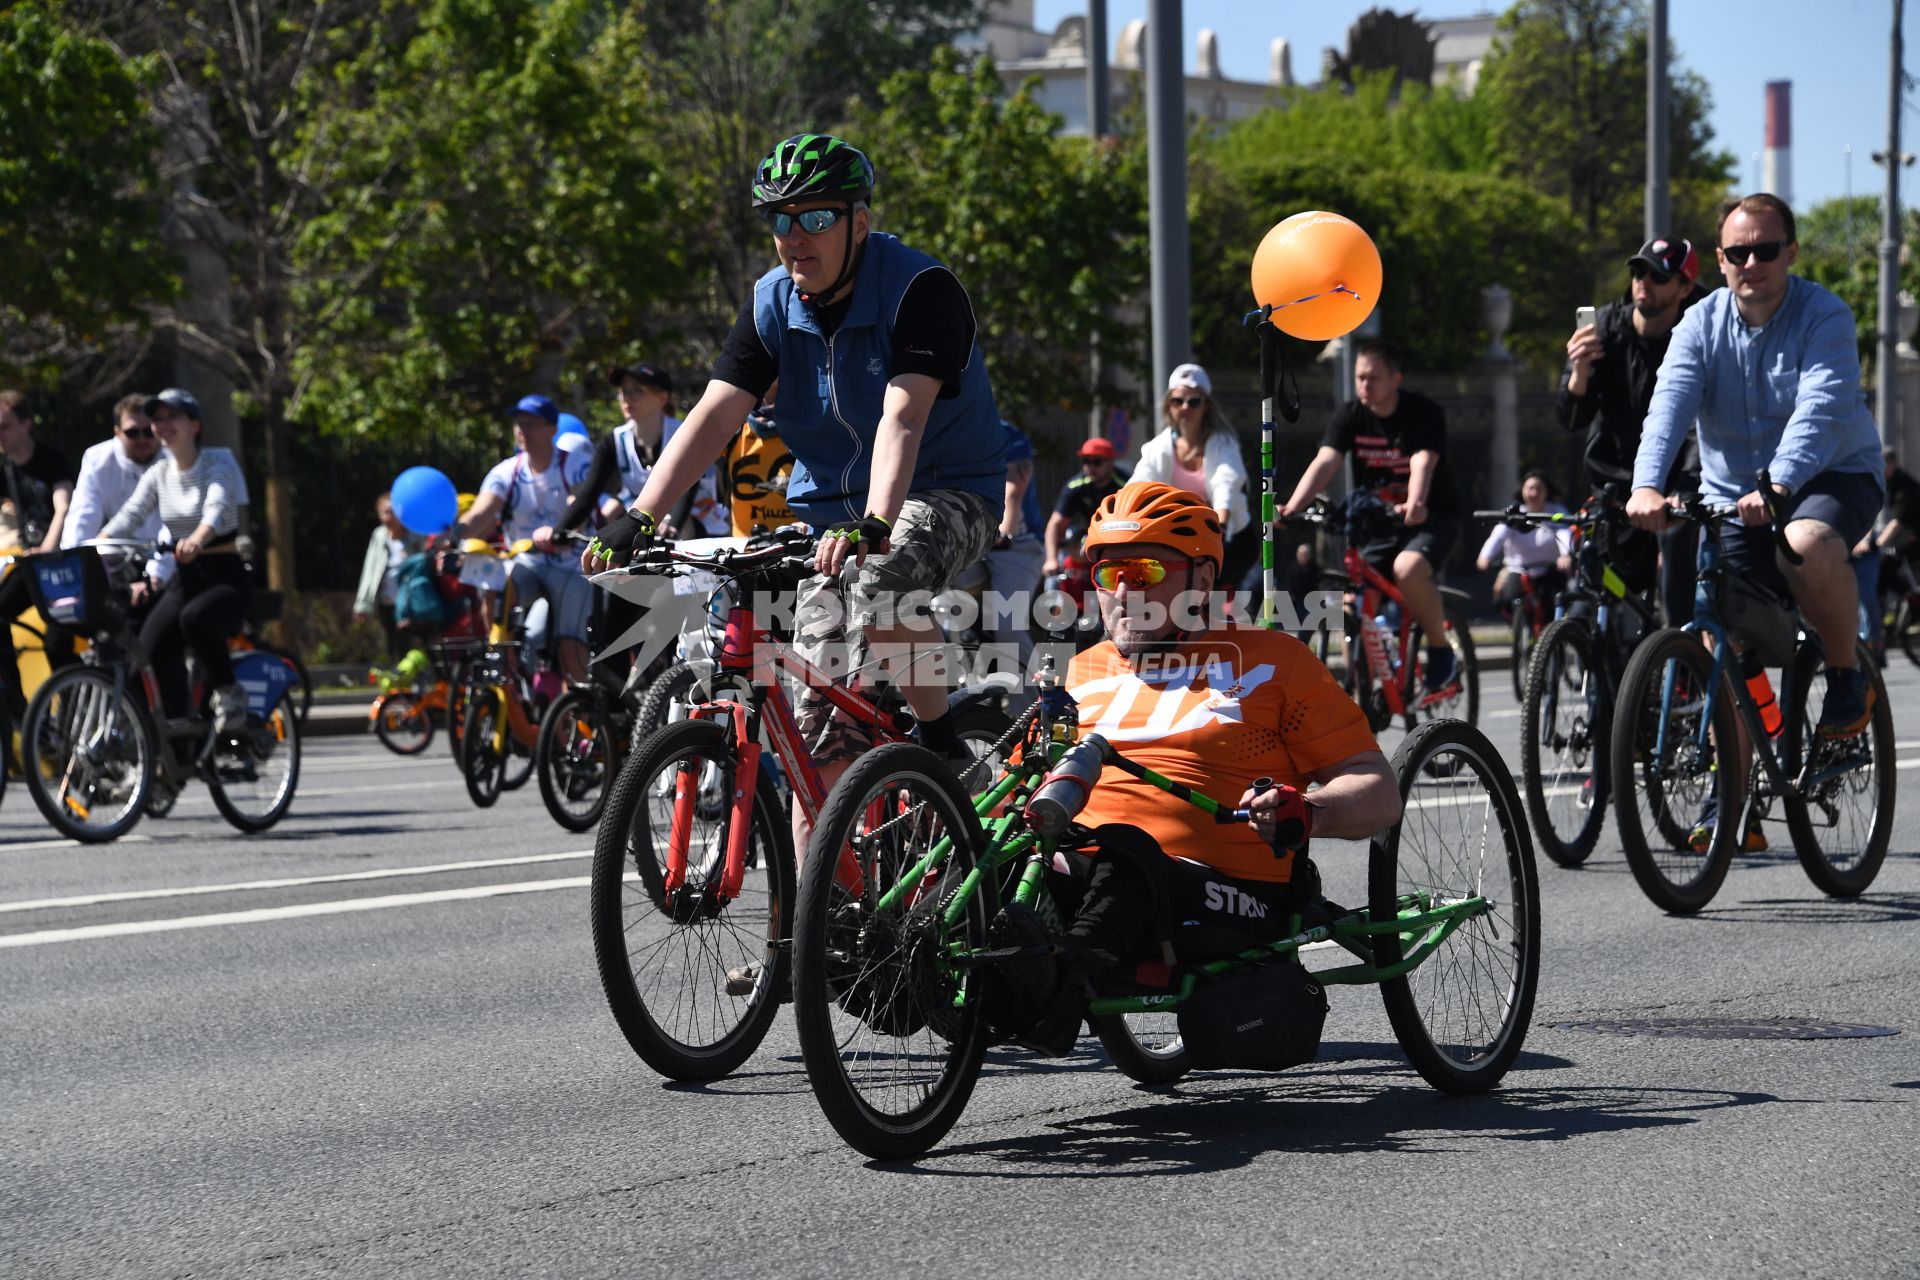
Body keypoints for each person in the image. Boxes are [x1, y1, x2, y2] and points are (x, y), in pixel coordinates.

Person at [582, 132, 1006, 851]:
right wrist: (639, 514)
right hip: (832, 520)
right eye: (780, 220)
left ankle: (941, 745)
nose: (794, 238)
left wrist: (875, 521)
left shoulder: (919, 287)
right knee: (815, 743)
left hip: (946, 491)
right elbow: (717, 413)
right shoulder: (772, 301)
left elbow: (901, 418)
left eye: (815, 218)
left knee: (884, 568)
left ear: (858, 223)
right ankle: (821, 944)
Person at [985, 482, 1401, 1054]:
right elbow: (1017, 794)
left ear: (1202, 581)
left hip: (1226, 897)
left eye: (1146, 572)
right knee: (988, 866)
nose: (1124, 592)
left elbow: (1378, 789)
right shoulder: (1077, 672)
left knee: (1127, 851)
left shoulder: (1274, 661)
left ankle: (1059, 991)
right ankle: (885, 968)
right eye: (1109, 575)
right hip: (1082, 876)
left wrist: (1310, 811)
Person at [1629, 193, 1886, 846]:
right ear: (1719, 261)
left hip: (1830, 475)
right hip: (1733, 497)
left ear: (1790, 254)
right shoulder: (1697, 325)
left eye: (1765, 249)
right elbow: (1669, 407)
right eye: (1737, 252)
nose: (1751, 262)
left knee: (1804, 542)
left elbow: (1822, 405)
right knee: (1724, 642)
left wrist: (1779, 481)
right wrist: (1647, 486)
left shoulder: (1823, 313)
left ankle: (1846, 681)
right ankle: (1735, 803)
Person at [1281, 339, 1463, 695]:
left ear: (1396, 378)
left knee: (1407, 570)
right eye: (1360, 377)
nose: (1364, 385)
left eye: (1373, 378)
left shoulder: (1423, 412)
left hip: (1430, 516)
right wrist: (1292, 506)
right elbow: (1326, 461)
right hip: (1377, 522)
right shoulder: (1350, 415)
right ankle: (1359, 689)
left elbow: (1422, 461)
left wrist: (1415, 501)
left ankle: (1441, 651)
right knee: (1356, 603)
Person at [1557, 235, 1709, 626]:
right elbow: (1571, 418)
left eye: (1659, 276)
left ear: (1685, 288)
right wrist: (1579, 371)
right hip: (1613, 484)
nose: (1644, 281)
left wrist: (1684, 488)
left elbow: (1699, 424)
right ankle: (1602, 673)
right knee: (1597, 599)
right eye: (1639, 271)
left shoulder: (1699, 335)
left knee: (1678, 598)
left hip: (1673, 490)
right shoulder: (1605, 326)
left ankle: (1676, 666)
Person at [99, 388, 252, 735]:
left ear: (194, 425)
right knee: (145, 656)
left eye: (173, 417)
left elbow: (215, 506)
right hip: (186, 579)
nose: (162, 425)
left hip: (225, 578)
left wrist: (197, 539)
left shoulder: (217, 464)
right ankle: (164, 747)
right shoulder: (158, 474)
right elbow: (131, 514)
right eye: (158, 418)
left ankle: (230, 693)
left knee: (194, 618)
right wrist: (97, 543)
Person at [450, 394, 594, 684]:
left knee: (570, 649)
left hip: (571, 566)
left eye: (531, 424)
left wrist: (560, 531)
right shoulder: (506, 472)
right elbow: (481, 514)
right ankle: (500, 657)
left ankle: (584, 710)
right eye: (518, 425)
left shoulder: (574, 465)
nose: (522, 431)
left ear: (552, 428)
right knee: (492, 580)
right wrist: (451, 536)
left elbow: (580, 504)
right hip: (526, 563)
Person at [1129, 363, 1252, 582]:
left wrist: (1220, 526)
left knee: (1216, 604)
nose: (1185, 407)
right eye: (1177, 401)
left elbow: (1227, 481)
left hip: (1227, 539)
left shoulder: (1223, 443)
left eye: (1194, 401)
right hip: (1179, 539)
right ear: (1169, 406)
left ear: (1207, 406)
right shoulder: (1158, 447)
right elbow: (1139, 485)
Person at [0, 390, 77, 718]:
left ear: (26, 424)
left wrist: (49, 546)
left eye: (4, 426)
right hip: (31, 565)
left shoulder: (51, 459)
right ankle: (23, 713)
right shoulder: (3, 466)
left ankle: (74, 718)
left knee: (58, 644)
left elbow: (64, 506)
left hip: (61, 565)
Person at [982, 419, 1046, 693]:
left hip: (1017, 544)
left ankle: (1032, 714)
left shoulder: (1008, 435)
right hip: (964, 542)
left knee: (1006, 625)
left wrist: (1003, 533)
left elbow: (1013, 491)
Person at [1476, 470, 1573, 617]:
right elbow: (1498, 536)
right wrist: (1485, 557)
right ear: (1522, 491)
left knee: (1554, 604)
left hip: (1549, 570)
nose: (1533, 493)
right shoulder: (1514, 513)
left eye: (1538, 489)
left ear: (1546, 492)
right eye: (1530, 488)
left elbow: (1563, 532)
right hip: (1517, 570)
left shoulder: (1556, 511)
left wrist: (1566, 555)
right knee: (1506, 599)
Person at [352, 491, 425, 660]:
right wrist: (362, 603)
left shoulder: (415, 537)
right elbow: (369, 569)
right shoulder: (379, 536)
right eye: (385, 512)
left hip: (408, 601)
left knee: (408, 640)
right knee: (392, 642)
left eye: (393, 512)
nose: (390, 517)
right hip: (385, 600)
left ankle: (410, 677)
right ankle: (399, 678)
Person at [1043, 437, 1124, 579]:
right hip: (1087, 536)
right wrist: (1051, 560)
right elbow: (1056, 524)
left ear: (1111, 463)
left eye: (1097, 462)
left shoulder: (1125, 485)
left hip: (1118, 537)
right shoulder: (1076, 486)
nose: (1090, 467)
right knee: (1056, 576)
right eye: (1086, 461)